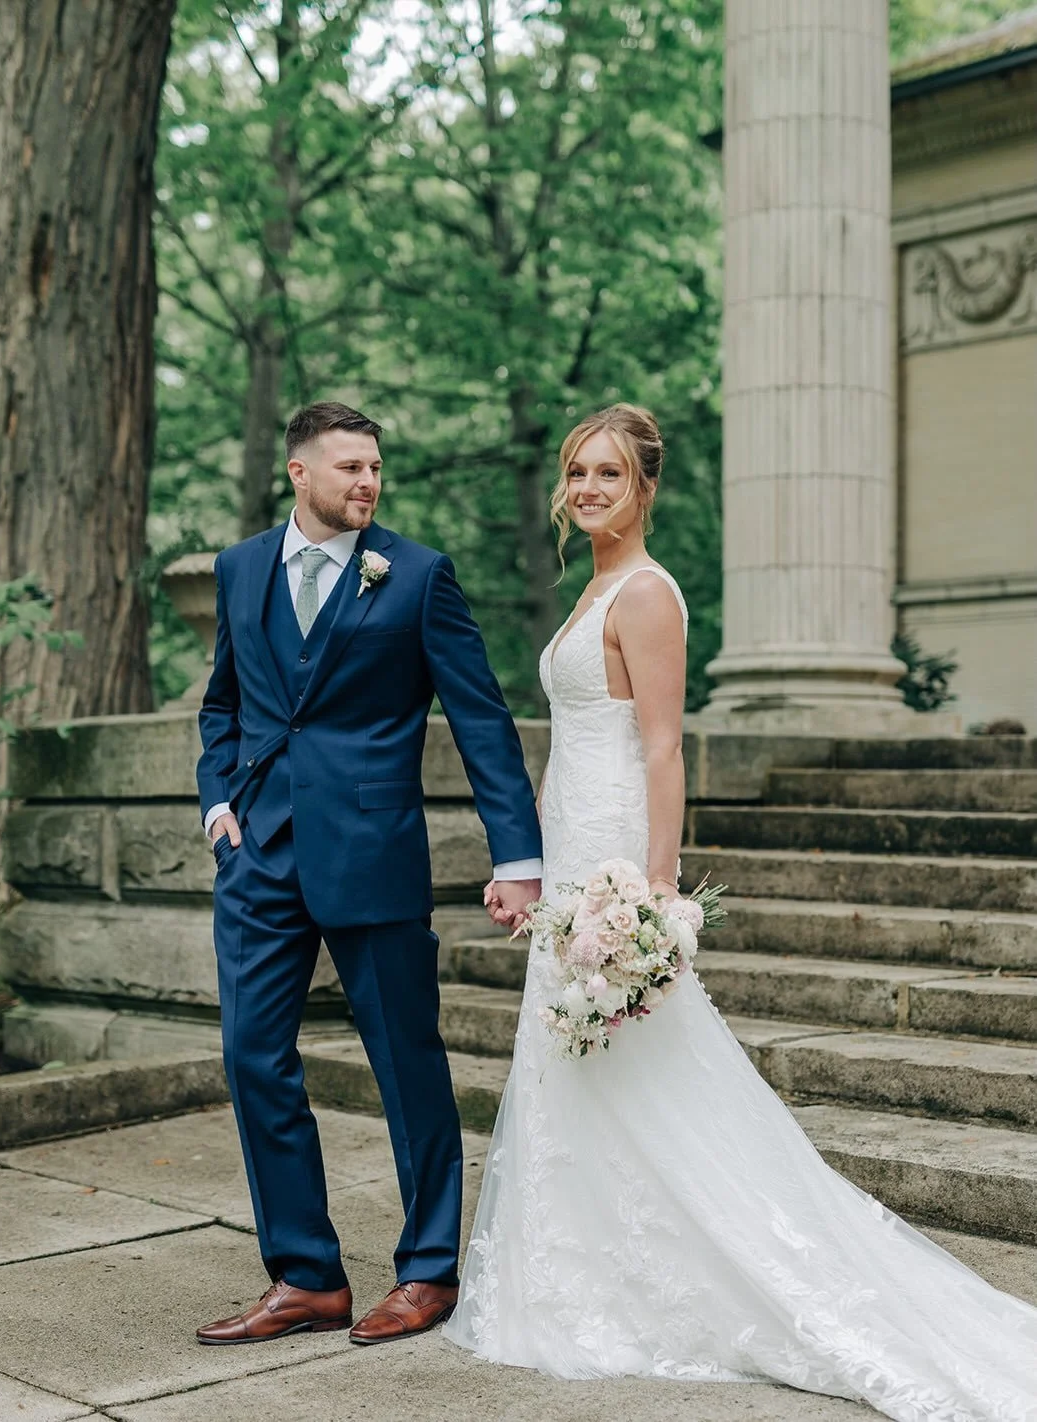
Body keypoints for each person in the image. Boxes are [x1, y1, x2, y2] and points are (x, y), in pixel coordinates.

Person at [444, 403, 1037, 1420]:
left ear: (645, 487)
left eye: (608, 474)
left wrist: (653, 890)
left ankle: (700, 1269)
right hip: (571, 840)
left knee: (642, 1059)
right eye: (577, 472)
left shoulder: (645, 593)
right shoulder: (592, 586)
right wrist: (533, 863)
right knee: (579, 1060)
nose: (586, 489)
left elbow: (661, 746)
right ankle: (585, 1264)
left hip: (616, 853)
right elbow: (575, 738)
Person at [195, 401, 542, 1347]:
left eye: (376, 467)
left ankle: (428, 1271)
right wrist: (218, 804)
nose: (368, 482)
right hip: (257, 855)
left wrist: (517, 855)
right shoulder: (239, 568)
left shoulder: (417, 575)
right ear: (299, 472)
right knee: (252, 1059)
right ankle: (305, 1276)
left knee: (405, 1061)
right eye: (350, 466)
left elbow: (480, 719)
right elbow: (223, 702)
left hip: (373, 850)